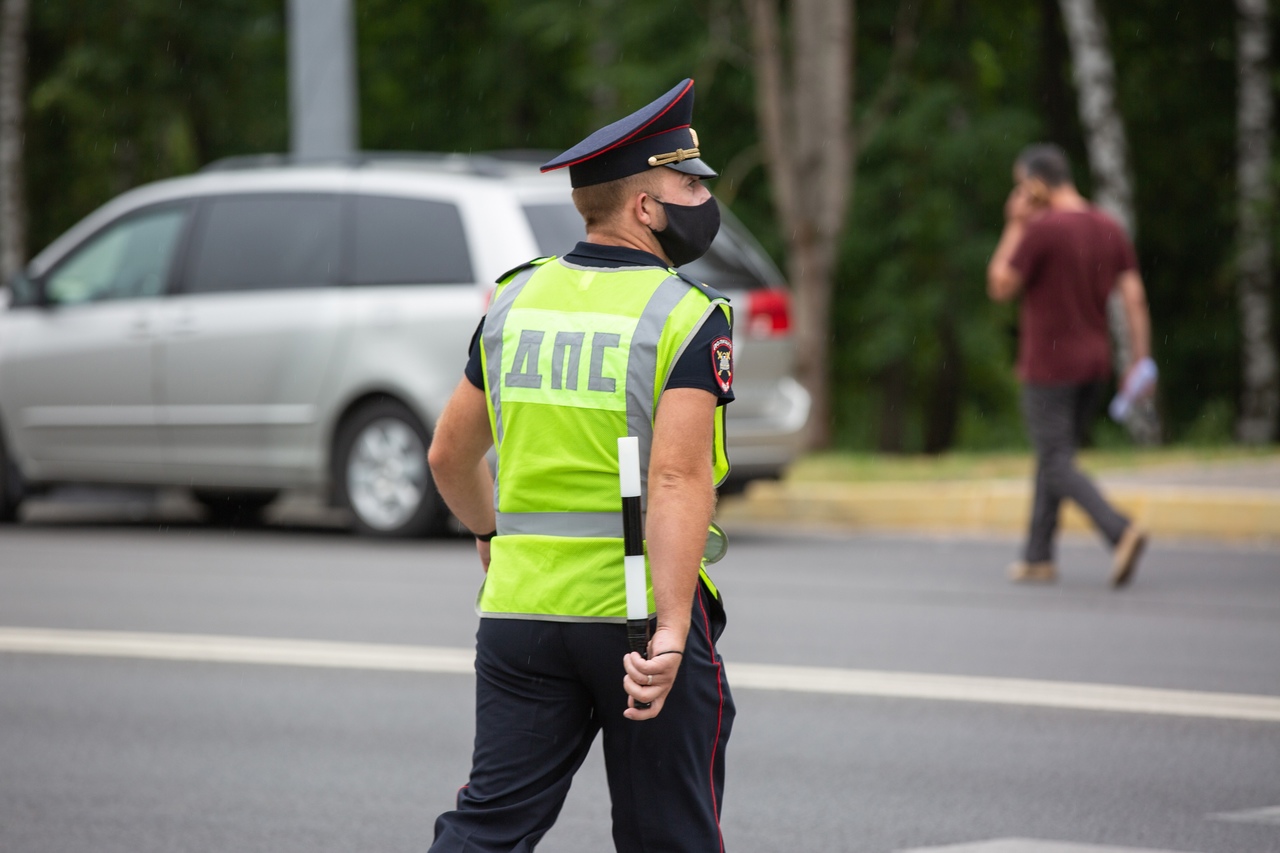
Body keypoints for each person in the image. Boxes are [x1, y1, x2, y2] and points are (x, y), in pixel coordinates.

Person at [425, 78, 735, 852]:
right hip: (630, 614)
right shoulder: (687, 315)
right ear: (643, 207)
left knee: (488, 828)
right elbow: (675, 479)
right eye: (687, 182)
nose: (701, 195)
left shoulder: (514, 301)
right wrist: (669, 629)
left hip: (521, 613)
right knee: (669, 834)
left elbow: (448, 454)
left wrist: (493, 532)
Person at [986, 143, 1152, 588]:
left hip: (1049, 365)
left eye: (1021, 184)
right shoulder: (1108, 226)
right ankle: (1038, 555)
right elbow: (1134, 297)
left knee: (1056, 459)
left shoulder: (1042, 231)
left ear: (1035, 184)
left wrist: (1014, 225)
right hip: (1094, 364)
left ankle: (1120, 531)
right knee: (1054, 456)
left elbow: (1000, 284)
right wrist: (1140, 361)